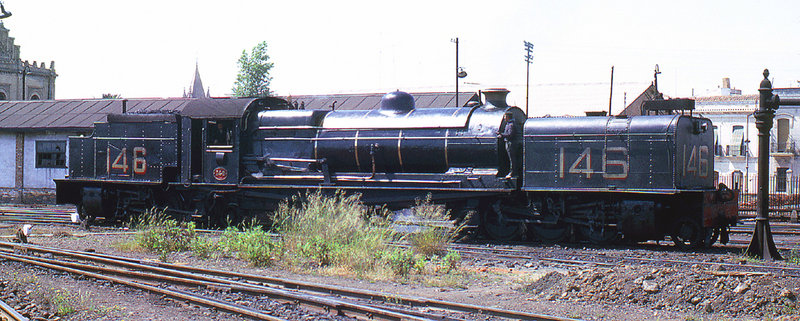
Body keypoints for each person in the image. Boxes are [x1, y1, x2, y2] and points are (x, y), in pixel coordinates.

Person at [498, 113, 518, 179]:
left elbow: (510, 134)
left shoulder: (511, 125)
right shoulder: (509, 124)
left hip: (510, 143)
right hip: (509, 142)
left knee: (512, 158)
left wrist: (502, 135)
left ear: (508, 117)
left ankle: (513, 172)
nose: (504, 118)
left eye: (505, 117)